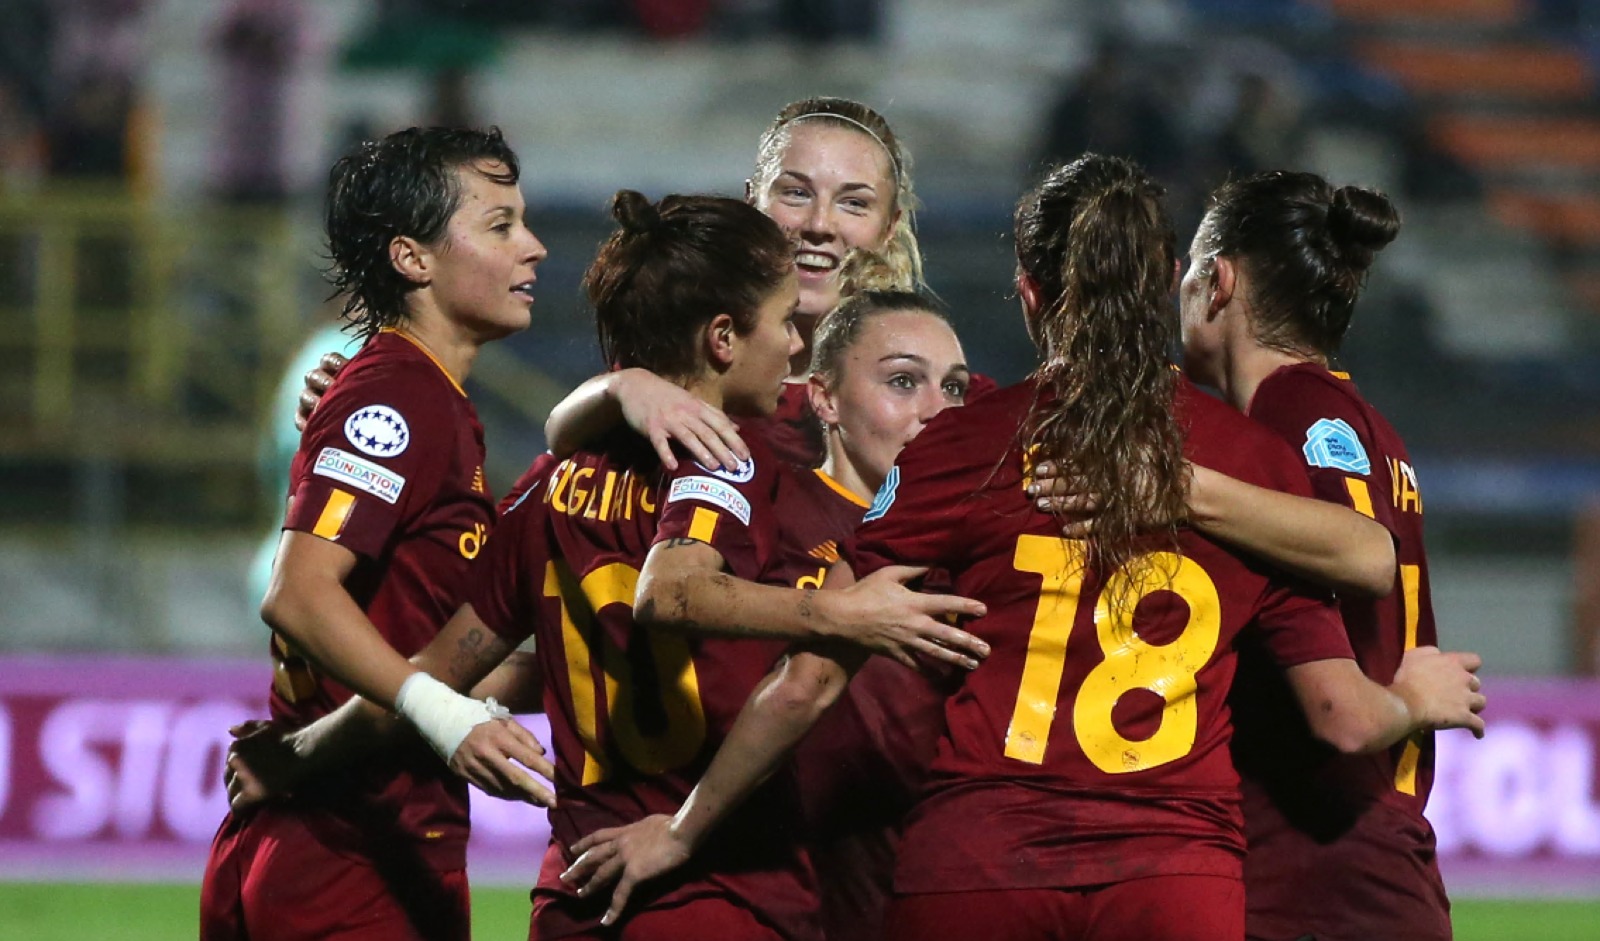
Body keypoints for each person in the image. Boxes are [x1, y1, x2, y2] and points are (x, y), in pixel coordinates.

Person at [555, 155, 1487, 941]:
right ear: (1166, 281)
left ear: (1031, 291)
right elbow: (1361, 584)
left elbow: (807, 680)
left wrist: (682, 831)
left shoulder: (965, 444)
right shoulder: (1254, 462)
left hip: (981, 864)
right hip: (1175, 875)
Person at [225, 192, 988, 941]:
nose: (794, 346)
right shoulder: (727, 464)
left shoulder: (545, 487)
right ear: (722, 339)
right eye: (786, 323)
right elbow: (727, 631)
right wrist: (844, 613)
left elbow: (440, 673)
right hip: (717, 887)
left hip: (577, 894)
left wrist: (300, 751)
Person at [199, 125, 548, 941]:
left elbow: (422, 655)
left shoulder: (423, 399)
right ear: (412, 257)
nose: (532, 248)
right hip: (348, 850)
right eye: (500, 225)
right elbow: (297, 592)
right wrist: (441, 712)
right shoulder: (398, 398)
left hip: (340, 828)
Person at [1178, 171, 1453, 941]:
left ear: (1216, 279)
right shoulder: (1355, 418)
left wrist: (1172, 486)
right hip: (1356, 857)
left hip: (1325, 860)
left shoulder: (1297, 410)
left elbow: (1359, 549)